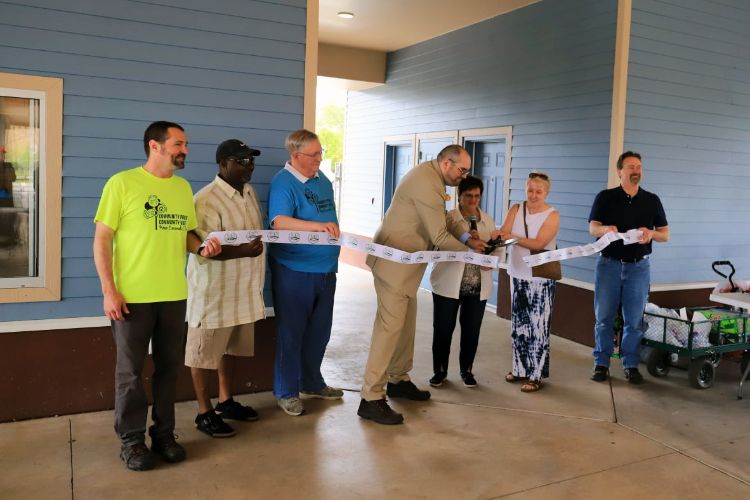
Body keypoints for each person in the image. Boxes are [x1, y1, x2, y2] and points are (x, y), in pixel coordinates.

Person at [93, 121, 221, 471]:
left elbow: (185, 236)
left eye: (186, 144)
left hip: (173, 296)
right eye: (179, 143)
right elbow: (102, 239)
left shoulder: (182, 189)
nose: (185, 150)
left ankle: (164, 435)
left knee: (168, 370)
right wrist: (110, 290)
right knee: (130, 373)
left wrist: (203, 248)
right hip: (131, 297)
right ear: (155, 145)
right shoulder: (122, 183)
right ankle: (132, 441)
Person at [358, 145, 487, 425]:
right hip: (393, 264)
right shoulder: (425, 182)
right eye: (462, 170)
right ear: (446, 163)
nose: (464, 177)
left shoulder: (434, 179)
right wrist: (471, 252)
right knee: (389, 329)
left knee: (405, 326)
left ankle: (398, 380)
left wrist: (467, 240)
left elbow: (446, 220)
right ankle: (370, 397)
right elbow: (439, 235)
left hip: (407, 267)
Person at [185, 139, 266, 438]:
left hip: (242, 289)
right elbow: (206, 248)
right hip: (214, 291)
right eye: (241, 161)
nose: (249, 166)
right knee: (202, 352)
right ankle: (203, 412)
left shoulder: (249, 193)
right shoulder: (206, 199)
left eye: (251, 161)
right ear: (222, 164)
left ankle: (225, 400)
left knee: (228, 349)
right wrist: (244, 252)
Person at [267, 129, 343, 416]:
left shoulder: (322, 180)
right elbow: (279, 222)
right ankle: (286, 391)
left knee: (320, 331)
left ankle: (312, 382)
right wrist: (317, 228)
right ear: (295, 155)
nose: (319, 159)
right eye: (314, 155)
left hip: (326, 269)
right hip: (294, 270)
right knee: (292, 333)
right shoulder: (283, 182)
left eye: (321, 153)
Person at [589, 151, 669, 384]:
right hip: (608, 265)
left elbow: (665, 235)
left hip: (638, 268)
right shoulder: (605, 197)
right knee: (603, 318)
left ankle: (630, 364)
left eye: (639, 167)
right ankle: (601, 363)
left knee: (634, 320)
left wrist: (651, 233)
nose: (636, 171)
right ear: (620, 171)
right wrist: (605, 230)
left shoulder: (652, 200)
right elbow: (593, 228)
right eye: (631, 166)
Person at [429, 175, 498, 388]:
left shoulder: (487, 220)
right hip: (448, 284)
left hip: (477, 286)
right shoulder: (449, 219)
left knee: (471, 332)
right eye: (469, 196)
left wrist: (491, 261)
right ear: (459, 196)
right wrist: (467, 239)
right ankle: (439, 372)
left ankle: (466, 370)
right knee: (443, 329)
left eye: (477, 196)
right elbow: (438, 244)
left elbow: (497, 250)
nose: (473, 200)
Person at [497, 172, 560, 393]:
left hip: (540, 278)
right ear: (525, 190)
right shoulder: (516, 209)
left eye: (538, 191)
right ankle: (519, 368)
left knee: (538, 327)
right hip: (517, 273)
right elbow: (502, 234)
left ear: (546, 192)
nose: (533, 195)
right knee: (519, 325)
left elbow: (539, 242)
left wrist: (511, 238)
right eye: (530, 190)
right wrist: (502, 237)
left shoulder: (552, 215)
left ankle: (536, 374)